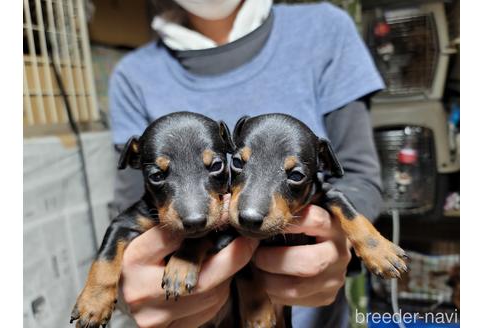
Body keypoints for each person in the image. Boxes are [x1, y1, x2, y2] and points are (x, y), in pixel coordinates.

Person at [109, 0, 384, 327]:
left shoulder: (326, 29)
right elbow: (134, 211)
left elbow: (358, 177)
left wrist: (340, 248)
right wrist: (129, 293)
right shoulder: (131, 76)